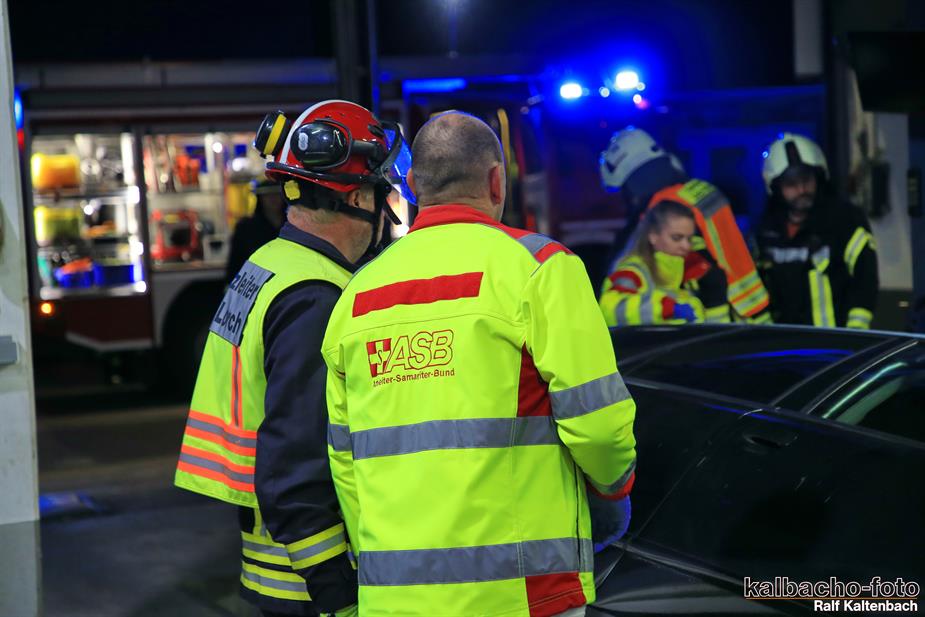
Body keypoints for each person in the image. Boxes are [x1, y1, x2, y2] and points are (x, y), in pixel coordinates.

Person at [321, 111, 637, 617]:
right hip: (522, 593)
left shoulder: (356, 297)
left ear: (412, 185)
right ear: (496, 180)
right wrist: (615, 491)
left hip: (394, 597)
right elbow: (598, 424)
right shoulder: (539, 269)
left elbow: (345, 460)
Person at [175, 100, 407, 617]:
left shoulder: (271, 263)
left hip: (275, 560)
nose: (387, 208)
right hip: (312, 581)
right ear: (356, 197)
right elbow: (297, 458)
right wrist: (335, 588)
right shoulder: (315, 297)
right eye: (381, 191)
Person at [600, 127, 770, 323]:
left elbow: (687, 262)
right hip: (750, 300)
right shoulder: (700, 189)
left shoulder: (663, 207)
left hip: (720, 306)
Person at [755, 132, 878, 329]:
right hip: (783, 343)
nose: (802, 190)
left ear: (818, 178)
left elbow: (865, 280)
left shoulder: (844, 221)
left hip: (837, 341)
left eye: (806, 180)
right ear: (776, 188)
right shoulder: (766, 231)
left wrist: (855, 332)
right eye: (791, 184)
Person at [600, 201, 709, 326]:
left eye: (689, 239)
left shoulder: (690, 271)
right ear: (653, 236)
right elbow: (611, 311)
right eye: (676, 238)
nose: (686, 246)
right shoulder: (631, 273)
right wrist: (665, 308)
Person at [225, 179, 286, 284]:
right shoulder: (246, 228)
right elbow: (236, 260)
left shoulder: (292, 225)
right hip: (256, 282)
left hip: (285, 280)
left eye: (276, 194)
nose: (273, 199)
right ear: (260, 198)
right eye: (267, 195)